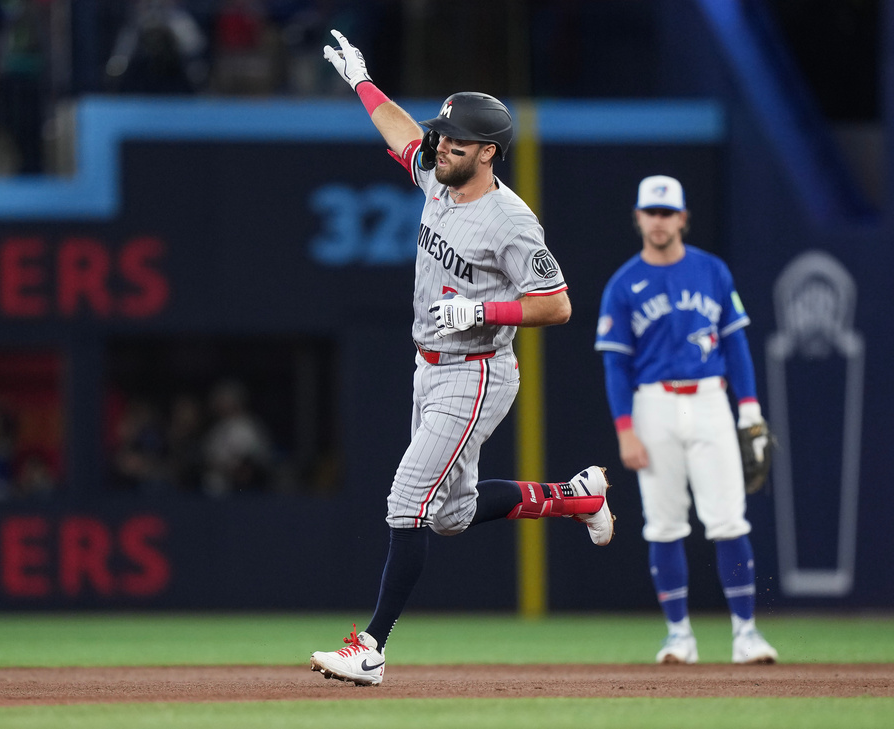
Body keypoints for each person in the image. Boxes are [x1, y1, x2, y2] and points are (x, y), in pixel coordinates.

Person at [309, 30, 614, 687]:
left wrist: (485, 311)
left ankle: (372, 646)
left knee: (406, 500)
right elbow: (399, 135)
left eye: (454, 140)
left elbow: (556, 304)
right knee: (448, 514)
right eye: (441, 134)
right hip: (431, 364)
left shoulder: (511, 221)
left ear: (487, 152)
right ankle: (576, 498)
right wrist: (362, 81)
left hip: (476, 371)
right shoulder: (439, 178)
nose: (440, 144)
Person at [594, 175, 778, 665]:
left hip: (710, 400)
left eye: (667, 212)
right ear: (638, 218)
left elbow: (736, 344)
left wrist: (750, 409)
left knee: (728, 519)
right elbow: (615, 363)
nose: (659, 221)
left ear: (682, 217)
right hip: (652, 404)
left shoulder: (712, 271)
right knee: (663, 524)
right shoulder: (622, 284)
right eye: (651, 213)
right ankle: (679, 636)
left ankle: (746, 634)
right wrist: (625, 428)